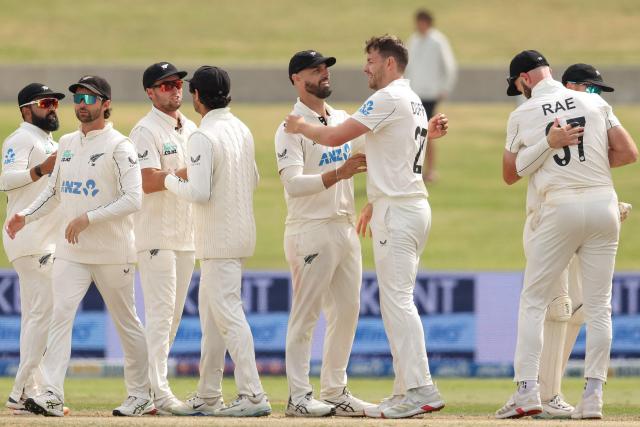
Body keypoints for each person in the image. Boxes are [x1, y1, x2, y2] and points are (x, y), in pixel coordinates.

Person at [285, 35, 449, 419]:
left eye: (371, 60)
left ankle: (419, 388)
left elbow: (333, 137)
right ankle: (404, 389)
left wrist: (300, 127)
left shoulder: (387, 98)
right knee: (394, 300)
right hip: (404, 205)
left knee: (396, 302)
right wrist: (374, 201)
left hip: (398, 210)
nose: (365, 68)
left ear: (389, 64)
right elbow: (387, 148)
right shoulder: (411, 99)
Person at [497, 50, 637, 420]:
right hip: (605, 203)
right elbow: (628, 152)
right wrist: (588, 157)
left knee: (534, 300)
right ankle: (592, 396)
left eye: (516, 84)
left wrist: (547, 146)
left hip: (559, 208)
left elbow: (510, 175)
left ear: (525, 79)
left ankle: (527, 390)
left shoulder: (522, 113)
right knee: (598, 306)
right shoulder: (592, 102)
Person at [5, 75, 155, 417]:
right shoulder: (69, 143)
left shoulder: (120, 145)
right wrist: (24, 216)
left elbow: (134, 199)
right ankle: (53, 394)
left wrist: (90, 217)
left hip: (113, 251)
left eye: (90, 100)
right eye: (78, 99)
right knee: (59, 317)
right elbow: (54, 193)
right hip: (72, 252)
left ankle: (140, 395)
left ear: (105, 104)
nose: (82, 106)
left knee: (126, 322)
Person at [151, 66, 271, 417]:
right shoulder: (241, 128)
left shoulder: (203, 135)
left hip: (218, 240)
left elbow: (199, 192)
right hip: (239, 233)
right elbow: (254, 177)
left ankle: (253, 394)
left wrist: (169, 178)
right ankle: (208, 393)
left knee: (228, 315)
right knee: (213, 318)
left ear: (197, 97)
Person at [275, 50, 374, 417]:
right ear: (296, 80)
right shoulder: (289, 127)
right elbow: (293, 185)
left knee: (348, 311)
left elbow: (376, 151)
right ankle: (298, 396)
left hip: (344, 226)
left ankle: (334, 391)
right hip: (310, 230)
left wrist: (429, 134)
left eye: (325, 69)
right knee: (306, 315)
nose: (323, 75)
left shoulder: (342, 119)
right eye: (314, 71)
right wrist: (338, 174)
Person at [531, 63, 632, 419]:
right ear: (569, 85)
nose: (594, 96)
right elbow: (629, 152)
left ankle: (547, 394)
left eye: (598, 91)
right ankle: (564, 394)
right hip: (567, 213)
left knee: (578, 309)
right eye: (590, 88)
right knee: (567, 309)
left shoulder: (573, 109)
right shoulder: (567, 111)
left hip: (561, 215)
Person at [130, 62, 197, 415]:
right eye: (166, 84)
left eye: (178, 83)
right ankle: (159, 392)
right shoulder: (144, 130)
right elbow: (147, 180)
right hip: (156, 235)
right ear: (150, 92)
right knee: (159, 316)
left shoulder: (191, 127)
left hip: (186, 234)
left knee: (171, 318)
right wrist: (192, 170)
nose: (175, 89)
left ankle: (144, 390)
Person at [1, 83, 63, 414]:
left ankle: (31, 391)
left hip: (40, 239)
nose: (53, 107)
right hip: (31, 238)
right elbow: (5, 179)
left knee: (35, 318)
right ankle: (21, 391)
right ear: (27, 110)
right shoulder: (21, 138)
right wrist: (43, 168)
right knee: (44, 316)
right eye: (46, 103)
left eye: (55, 102)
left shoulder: (45, 140)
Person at [405, 9, 457, 183]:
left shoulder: (438, 40)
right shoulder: (413, 40)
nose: (419, 25)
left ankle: (430, 170)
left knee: (426, 130)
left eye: (422, 21)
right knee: (414, 130)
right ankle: (416, 169)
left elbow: (449, 66)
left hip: (430, 94)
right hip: (415, 92)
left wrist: (445, 88)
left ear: (428, 22)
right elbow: (407, 66)